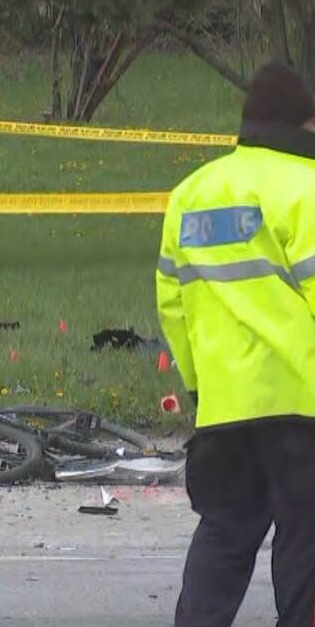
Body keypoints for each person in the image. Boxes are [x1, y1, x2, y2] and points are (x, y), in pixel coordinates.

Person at [157, 61, 315, 627]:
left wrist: (201, 384)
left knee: (223, 538)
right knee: (306, 549)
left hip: (224, 408)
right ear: (305, 122)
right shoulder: (307, 190)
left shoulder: (191, 195)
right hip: (302, 407)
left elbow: (173, 305)